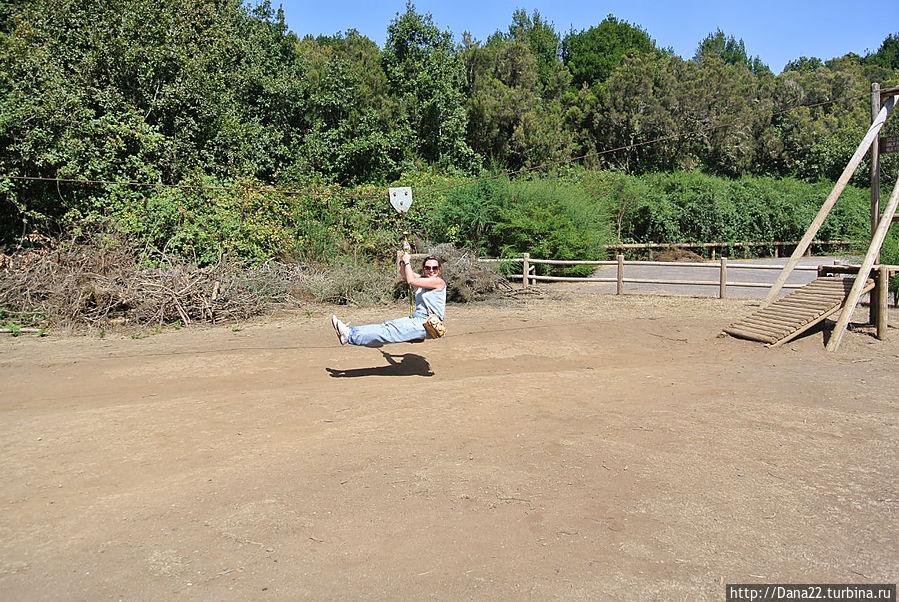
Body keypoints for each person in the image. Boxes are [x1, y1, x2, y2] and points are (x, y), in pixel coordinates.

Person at [331, 242, 446, 347]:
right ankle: (354, 335)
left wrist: (407, 261)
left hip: (426, 323)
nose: (431, 270)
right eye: (428, 268)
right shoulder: (423, 279)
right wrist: (405, 255)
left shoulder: (438, 282)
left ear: (439, 269)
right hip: (417, 319)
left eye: (434, 268)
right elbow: (404, 273)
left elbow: (411, 281)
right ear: (424, 269)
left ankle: (349, 334)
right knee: (387, 326)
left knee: (390, 331)